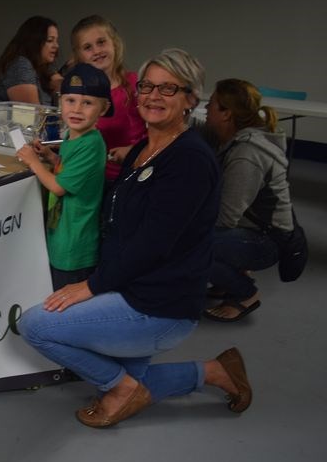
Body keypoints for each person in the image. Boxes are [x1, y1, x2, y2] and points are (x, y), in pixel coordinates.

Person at [19, 49, 253, 428]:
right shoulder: (144, 148)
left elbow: (154, 243)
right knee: (137, 380)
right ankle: (213, 371)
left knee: (34, 326)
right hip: (131, 285)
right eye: (147, 86)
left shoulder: (189, 160)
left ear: (190, 99)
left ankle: (120, 387)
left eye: (168, 89)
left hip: (159, 303)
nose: (153, 96)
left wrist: (91, 286)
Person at [203, 78, 294, 322]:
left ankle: (245, 292)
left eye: (210, 104)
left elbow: (226, 217)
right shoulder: (240, 138)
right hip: (255, 231)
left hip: (266, 241)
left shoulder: (247, 154)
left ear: (226, 114)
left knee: (188, 244)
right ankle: (227, 276)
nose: (205, 110)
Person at [15, 63, 108, 290]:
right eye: (70, 100)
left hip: (75, 247)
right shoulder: (73, 137)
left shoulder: (91, 143)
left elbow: (58, 187)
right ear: (60, 102)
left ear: (103, 109)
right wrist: (49, 157)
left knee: (64, 304)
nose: (76, 109)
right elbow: (69, 170)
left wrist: (34, 162)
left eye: (87, 103)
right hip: (62, 235)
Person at [69, 15, 147, 190]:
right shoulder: (78, 94)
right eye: (88, 47)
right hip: (93, 179)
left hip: (132, 177)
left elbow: (158, 132)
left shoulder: (136, 84)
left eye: (101, 42)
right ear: (79, 55)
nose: (96, 51)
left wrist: (133, 150)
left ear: (115, 44)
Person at [0, 16, 60, 134]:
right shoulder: (20, 65)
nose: (56, 45)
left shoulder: (41, 69)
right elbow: (34, 118)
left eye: (56, 40)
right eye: (50, 40)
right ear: (34, 41)